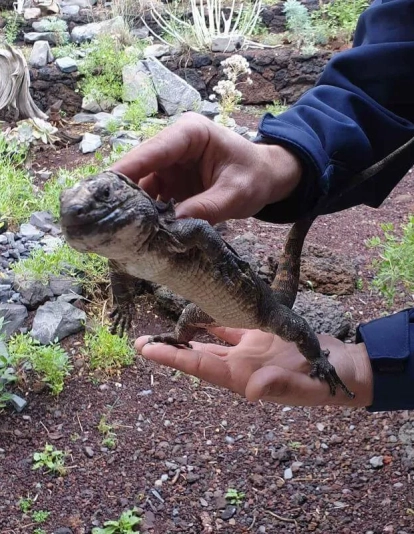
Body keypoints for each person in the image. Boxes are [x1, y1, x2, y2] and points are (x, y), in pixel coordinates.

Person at [111, 0, 414, 413]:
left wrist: (353, 362)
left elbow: (298, 330)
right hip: (222, 304)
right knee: (187, 317)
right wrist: (284, 158)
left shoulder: (268, 312)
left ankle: (321, 363)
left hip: (259, 307)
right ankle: (181, 338)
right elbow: (383, 74)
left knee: (296, 331)